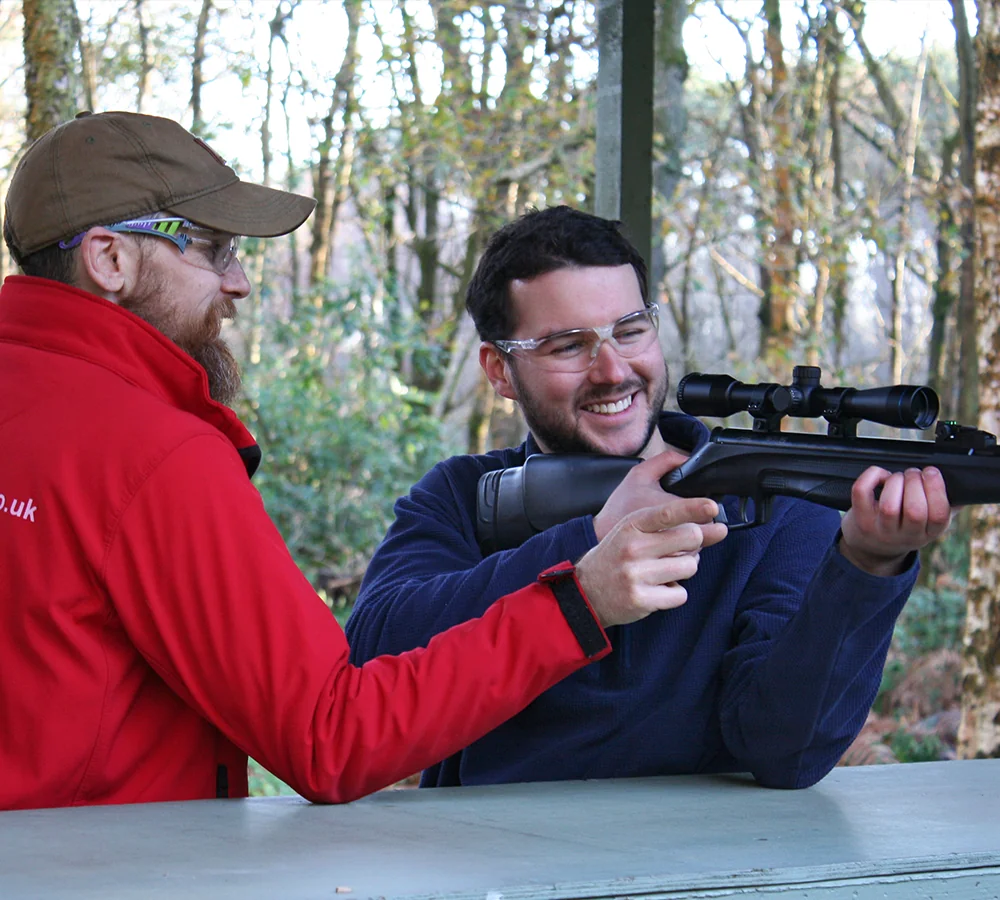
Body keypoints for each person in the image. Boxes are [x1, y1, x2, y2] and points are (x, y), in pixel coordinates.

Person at [0, 116, 729, 811]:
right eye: (214, 249)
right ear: (111, 259)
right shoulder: (155, 454)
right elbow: (332, 737)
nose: (238, 282)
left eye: (631, 330)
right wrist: (581, 598)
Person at [346, 205, 952, 790]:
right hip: (493, 873)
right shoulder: (462, 495)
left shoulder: (778, 506)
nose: (613, 370)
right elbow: (370, 654)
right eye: (567, 346)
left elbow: (785, 752)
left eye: (630, 332)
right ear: (500, 371)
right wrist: (585, 555)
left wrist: (870, 564)